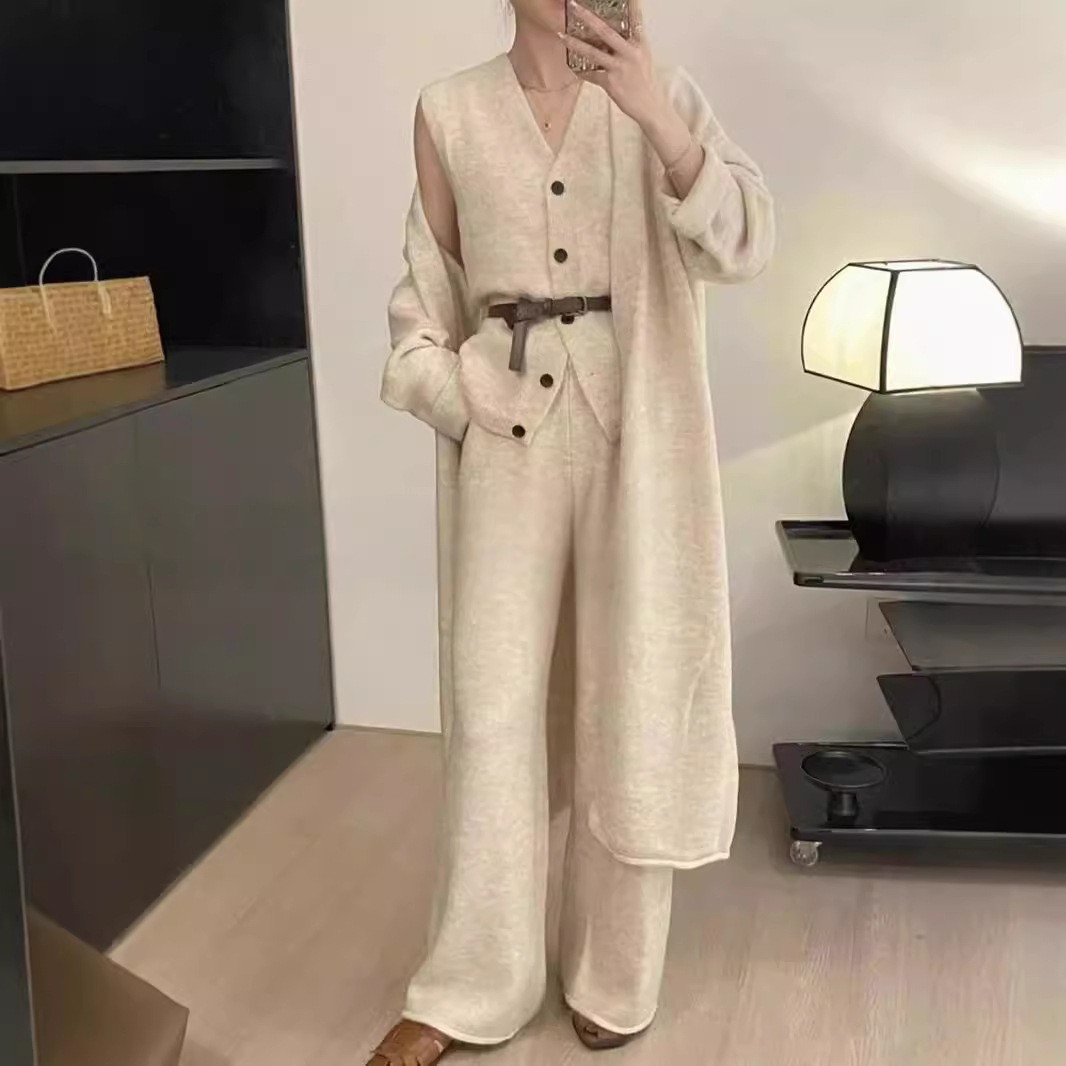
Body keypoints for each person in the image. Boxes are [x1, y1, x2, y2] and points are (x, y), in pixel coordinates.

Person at [371, 0, 773, 1061]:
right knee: (493, 707)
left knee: (632, 691)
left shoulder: (661, 93)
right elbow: (423, 306)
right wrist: (459, 397)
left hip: (638, 437)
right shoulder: (450, 110)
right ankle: (472, 984)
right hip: (507, 441)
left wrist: (656, 116)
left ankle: (613, 969)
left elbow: (745, 241)